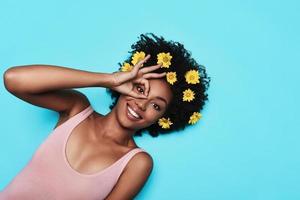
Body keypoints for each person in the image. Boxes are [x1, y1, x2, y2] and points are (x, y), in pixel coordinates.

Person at [0, 33, 210, 200]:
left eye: (156, 105)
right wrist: (108, 79)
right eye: (139, 89)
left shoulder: (137, 163)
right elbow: (13, 79)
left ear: (163, 118)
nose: (141, 104)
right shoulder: (76, 109)